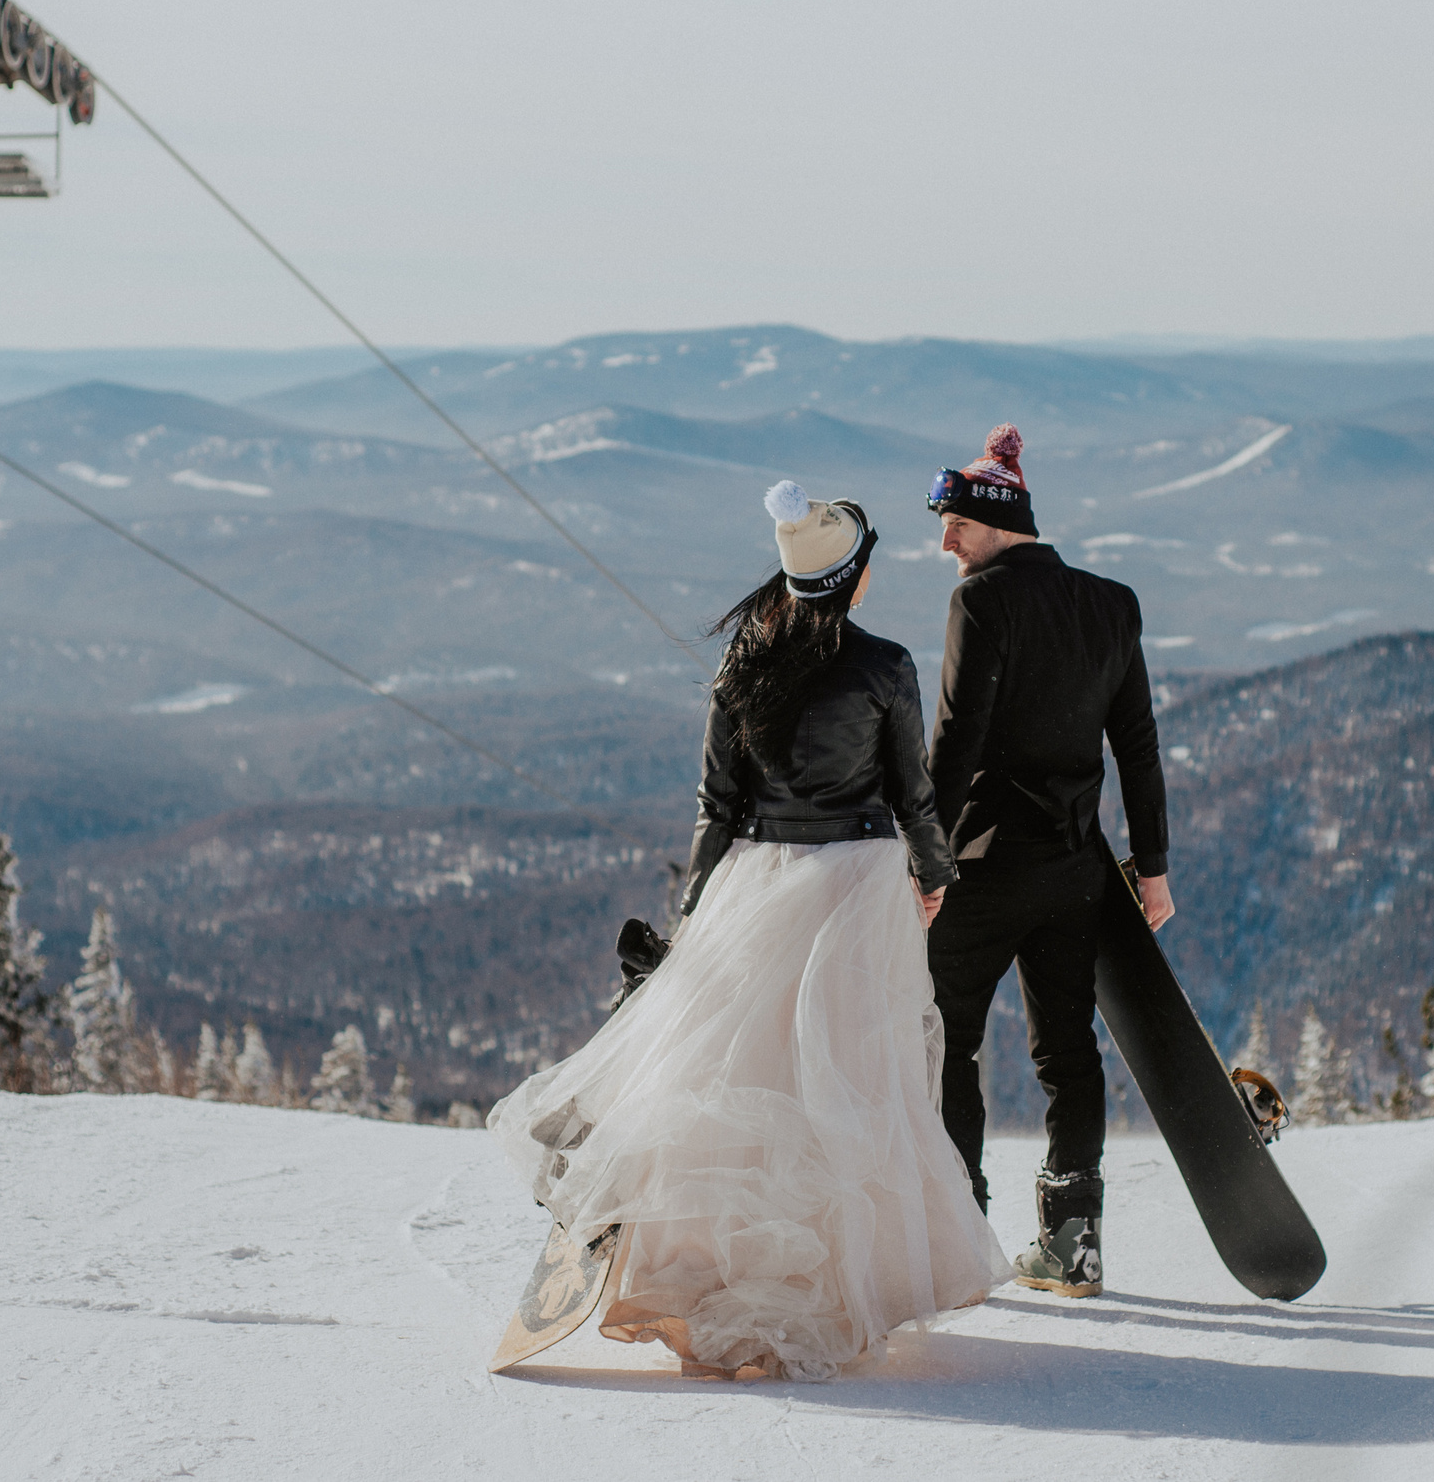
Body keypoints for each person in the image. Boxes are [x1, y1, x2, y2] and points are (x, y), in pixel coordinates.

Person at [487, 481, 1008, 1381]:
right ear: (856, 578)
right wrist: (934, 877)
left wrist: (698, 913)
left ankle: (704, 1279)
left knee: (731, 1086)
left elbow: (716, 807)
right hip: (853, 890)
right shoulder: (886, 667)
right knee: (846, 1093)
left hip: (754, 886)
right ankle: (833, 1296)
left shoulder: (742, 664)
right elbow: (913, 796)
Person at [923, 422, 1172, 1300]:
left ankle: (956, 1233)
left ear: (996, 519)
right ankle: (1075, 1243)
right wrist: (1152, 867)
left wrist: (921, 858)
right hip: (1075, 869)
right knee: (1068, 1051)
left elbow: (956, 744)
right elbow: (1137, 748)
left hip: (983, 868)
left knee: (945, 1037)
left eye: (954, 520)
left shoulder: (980, 602)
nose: (942, 539)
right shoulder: (1112, 603)